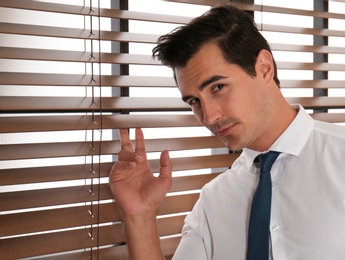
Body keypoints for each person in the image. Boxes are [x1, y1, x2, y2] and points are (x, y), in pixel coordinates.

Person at [109, 4, 345, 260]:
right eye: (194, 101)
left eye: (218, 87)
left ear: (264, 68)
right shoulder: (213, 202)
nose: (209, 117)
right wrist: (139, 215)